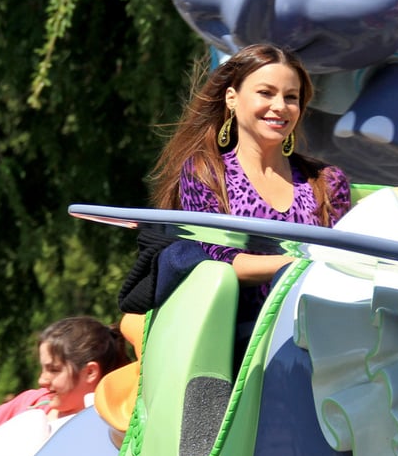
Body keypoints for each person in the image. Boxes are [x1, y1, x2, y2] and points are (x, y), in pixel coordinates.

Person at [119, 43, 352, 323]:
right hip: (237, 333)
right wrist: (301, 264)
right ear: (232, 97)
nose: (280, 106)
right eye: (265, 93)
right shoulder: (206, 173)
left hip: (316, 325)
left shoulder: (327, 181)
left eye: (291, 97)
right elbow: (222, 261)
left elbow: (344, 264)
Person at [0, 315, 130, 456]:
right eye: (43, 369)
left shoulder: (109, 427)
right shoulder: (34, 401)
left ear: (90, 372)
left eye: (53, 370)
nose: (42, 379)